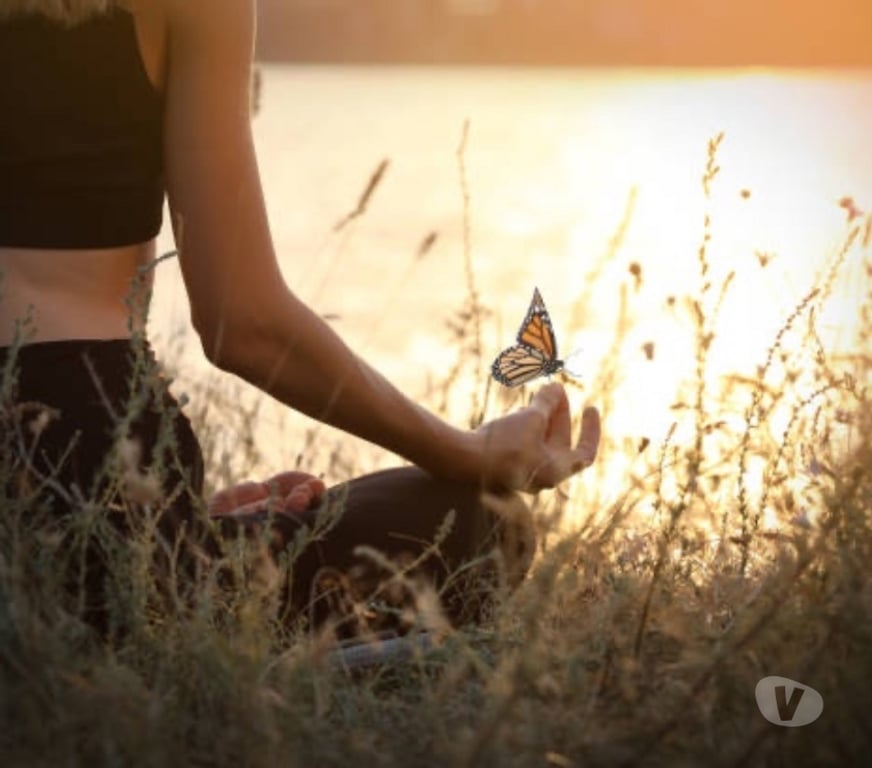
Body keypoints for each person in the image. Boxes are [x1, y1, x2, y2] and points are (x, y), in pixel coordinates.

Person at [0, 0, 600, 637]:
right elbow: (243, 324)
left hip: (81, 506)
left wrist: (190, 513)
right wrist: (469, 453)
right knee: (482, 524)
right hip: (89, 484)